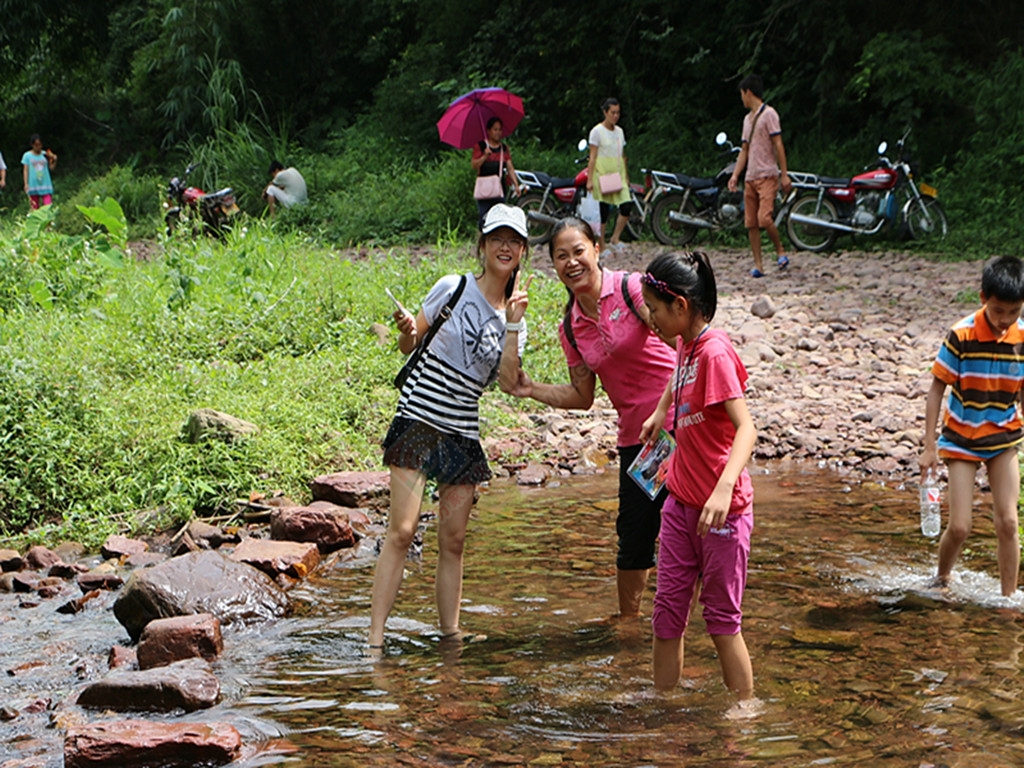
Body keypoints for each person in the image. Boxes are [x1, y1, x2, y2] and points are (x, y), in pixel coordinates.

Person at [368, 204, 529, 656]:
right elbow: (409, 342)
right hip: (419, 420)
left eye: (513, 241)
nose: (504, 246)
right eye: (497, 238)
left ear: (521, 254)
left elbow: (508, 382)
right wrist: (403, 329)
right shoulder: (452, 287)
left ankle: (450, 636)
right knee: (401, 530)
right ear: (482, 245)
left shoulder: (514, 318)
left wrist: (513, 325)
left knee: (453, 540)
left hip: (461, 434)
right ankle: (375, 641)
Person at [500, 218, 676, 618]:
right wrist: (532, 389)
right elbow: (582, 396)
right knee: (634, 537)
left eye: (578, 250)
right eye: (561, 256)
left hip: (681, 427)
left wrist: (668, 407)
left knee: (690, 525)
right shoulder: (572, 326)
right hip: (639, 442)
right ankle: (629, 625)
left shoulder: (633, 290)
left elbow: (678, 339)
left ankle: (696, 620)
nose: (572, 261)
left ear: (597, 248)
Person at [638, 251, 757, 702]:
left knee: (722, 621)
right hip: (680, 505)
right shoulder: (686, 344)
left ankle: (744, 709)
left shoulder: (716, 353)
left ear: (681, 307)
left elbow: (747, 428)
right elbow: (676, 374)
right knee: (666, 614)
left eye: (654, 309)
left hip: (723, 514)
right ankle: (663, 702)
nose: (650, 318)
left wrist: (723, 489)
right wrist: (661, 409)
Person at [920, 255, 1024, 598]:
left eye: (1013, 312)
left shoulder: (1021, 337)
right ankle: (942, 578)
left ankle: (1008, 598)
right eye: (997, 311)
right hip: (961, 439)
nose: (1004, 321)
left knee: (1009, 522)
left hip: (1003, 437)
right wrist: (929, 447)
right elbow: (937, 389)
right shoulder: (961, 334)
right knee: (961, 526)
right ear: (983, 299)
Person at [727, 75, 791, 278]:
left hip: (767, 175)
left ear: (748, 92)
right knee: (751, 223)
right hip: (750, 177)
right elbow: (744, 150)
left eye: (742, 94)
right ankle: (758, 265)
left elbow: (778, 144)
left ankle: (780, 250)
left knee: (764, 218)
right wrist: (736, 175)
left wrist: (784, 174)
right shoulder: (747, 120)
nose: (741, 99)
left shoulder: (769, 114)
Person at [586, 98, 633, 251]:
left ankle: (615, 237)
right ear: (605, 112)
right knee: (603, 210)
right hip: (602, 173)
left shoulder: (620, 132)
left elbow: (623, 154)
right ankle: (602, 243)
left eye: (618, 113)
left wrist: (626, 175)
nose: (615, 116)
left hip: (618, 173)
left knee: (626, 205)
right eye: (612, 112)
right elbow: (592, 156)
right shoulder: (597, 132)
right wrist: (590, 179)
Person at [471, 117, 520, 230]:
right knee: (484, 217)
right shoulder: (481, 146)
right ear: (488, 131)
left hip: (499, 188)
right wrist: (484, 156)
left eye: (499, 130)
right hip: (484, 188)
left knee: (499, 217)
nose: (498, 133)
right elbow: (474, 165)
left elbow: (510, 168)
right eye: (495, 129)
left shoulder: (504, 148)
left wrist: (516, 184)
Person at [21, 134, 56, 210]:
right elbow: (25, 170)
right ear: (32, 145)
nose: (38, 147)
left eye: (40, 145)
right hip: (33, 184)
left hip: (45, 183)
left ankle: (49, 221)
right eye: (36, 145)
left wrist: (54, 160)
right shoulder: (27, 156)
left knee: (48, 207)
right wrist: (26, 184)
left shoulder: (45, 155)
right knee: (35, 208)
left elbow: (51, 168)